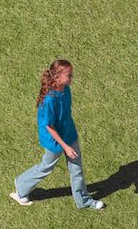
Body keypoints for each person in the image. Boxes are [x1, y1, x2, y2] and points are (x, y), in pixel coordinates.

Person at [10, 59, 105, 210]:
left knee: (76, 168)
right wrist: (65, 147)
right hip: (54, 140)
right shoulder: (50, 100)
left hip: (69, 133)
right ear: (57, 77)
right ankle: (21, 185)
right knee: (46, 167)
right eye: (69, 75)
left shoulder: (65, 89)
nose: (71, 78)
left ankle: (83, 201)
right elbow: (49, 126)